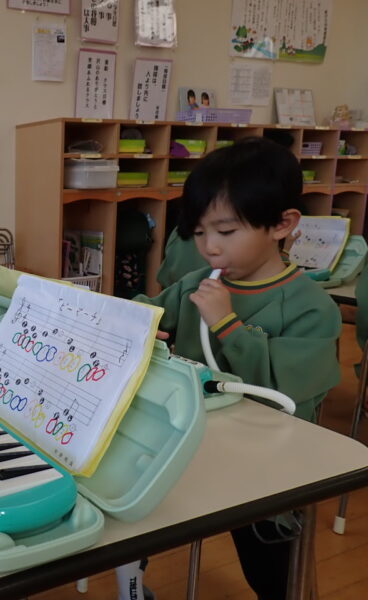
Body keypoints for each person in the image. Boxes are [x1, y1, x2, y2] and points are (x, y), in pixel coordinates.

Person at [133, 137, 341, 599]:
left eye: (226, 232)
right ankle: (130, 580)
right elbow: (148, 312)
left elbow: (284, 395)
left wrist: (227, 325)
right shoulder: (194, 284)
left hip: (265, 470)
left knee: (271, 569)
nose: (209, 247)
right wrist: (132, 323)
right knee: (133, 512)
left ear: (282, 224)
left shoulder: (311, 308)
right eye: (199, 232)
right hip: (189, 444)